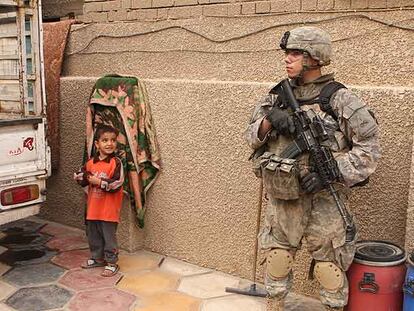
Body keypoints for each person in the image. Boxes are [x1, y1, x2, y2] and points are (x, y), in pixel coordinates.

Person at [245, 26, 381, 311]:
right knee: (277, 260)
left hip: (325, 200)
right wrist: (270, 120)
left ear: (314, 57)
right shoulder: (276, 96)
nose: (287, 59)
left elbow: (369, 151)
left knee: (328, 270)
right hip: (284, 199)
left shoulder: (340, 99)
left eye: (295, 53)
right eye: (286, 53)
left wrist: (330, 171)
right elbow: (249, 138)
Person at [74, 124, 124, 277]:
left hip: (108, 210)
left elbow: (117, 183)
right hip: (93, 208)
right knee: (94, 235)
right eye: (105, 140)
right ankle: (97, 258)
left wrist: (100, 182)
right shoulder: (90, 163)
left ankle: (111, 262)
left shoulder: (116, 163)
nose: (109, 144)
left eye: (113, 140)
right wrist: (79, 177)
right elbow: (83, 179)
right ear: (97, 144)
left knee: (109, 237)